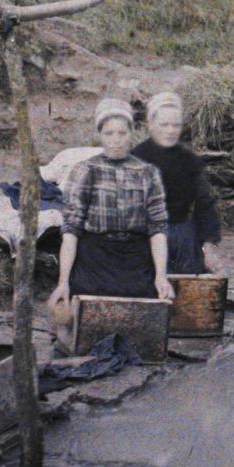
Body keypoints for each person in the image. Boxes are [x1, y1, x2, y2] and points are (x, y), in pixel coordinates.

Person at [50, 99, 176, 333]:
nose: (116, 140)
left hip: (135, 259)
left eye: (121, 133)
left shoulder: (147, 173)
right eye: (109, 133)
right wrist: (63, 282)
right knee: (87, 317)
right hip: (95, 258)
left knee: (139, 316)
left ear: (131, 134)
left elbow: (158, 228)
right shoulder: (86, 170)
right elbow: (71, 229)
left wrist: (161, 276)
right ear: (100, 135)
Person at [134, 92, 223, 275]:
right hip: (145, 232)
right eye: (164, 125)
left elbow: (204, 201)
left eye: (175, 125)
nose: (170, 130)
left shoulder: (189, 160)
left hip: (181, 231)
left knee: (187, 280)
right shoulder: (137, 158)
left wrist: (209, 243)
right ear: (150, 125)